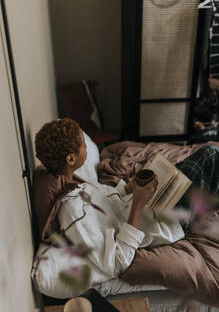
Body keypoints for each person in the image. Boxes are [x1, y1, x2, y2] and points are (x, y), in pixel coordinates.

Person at [34, 118, 219, 285]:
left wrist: (130, 187)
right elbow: (116, 263)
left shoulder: (76, 186)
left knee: (201, 164)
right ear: (71, 158)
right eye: (83, 145)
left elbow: (111, 201)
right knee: (209, 156)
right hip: (164, 218)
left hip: (149, 200)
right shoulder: (73, 213)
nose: (87, 148)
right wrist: (138, 204)